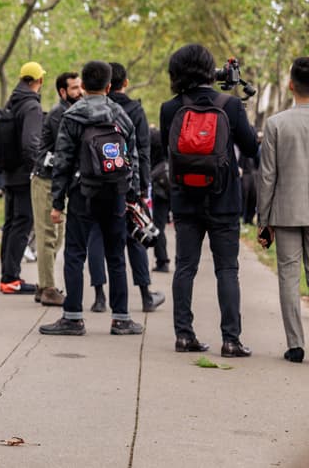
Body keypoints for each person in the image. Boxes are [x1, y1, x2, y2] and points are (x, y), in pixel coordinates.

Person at [160, 43, 258, 357]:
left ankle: (184, 335)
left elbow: (168, 151)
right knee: (227, 269)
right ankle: (231, 340)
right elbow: (252, 148)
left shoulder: (169, 108)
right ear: (209, 69)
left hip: (185, 198)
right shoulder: (229, 106)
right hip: (224, 199)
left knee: (184, 267)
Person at [40, 60, 144, 336]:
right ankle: (121, 318)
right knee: (116, 255)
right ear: (109, 86)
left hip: (81, 194)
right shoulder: (121, 115)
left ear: (83, 86)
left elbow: (62, 161)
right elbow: (131, 159)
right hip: (115, 194)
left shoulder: (73, 115)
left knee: (75, 253)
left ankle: (73, 317)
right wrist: (132, 197)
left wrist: (56, 202)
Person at [257, 56, 309, 364]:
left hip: (286, 212)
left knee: (288, 277)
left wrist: (263, 220)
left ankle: (295, 344)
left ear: (290, 85)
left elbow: (267, 176)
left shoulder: (276, 124)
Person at [107, 62, 165, 312]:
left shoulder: (95, 109)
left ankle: (100, 297)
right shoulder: (135, 110)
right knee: (135, 239)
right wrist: (143, 188)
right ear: (126, 83)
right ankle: (144, 296)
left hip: (98, 184)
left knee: (102, 241)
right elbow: (143, 151)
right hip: (129, 184)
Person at [30, 71, 81, 306]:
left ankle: (44, 285)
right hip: (46, 180)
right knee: (48, 235)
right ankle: (48, 289)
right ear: (63, 92)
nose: (79, 92)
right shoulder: (61, 114)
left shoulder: (68, 112)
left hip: (56, 181)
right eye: (74, 89)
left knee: (56, 236)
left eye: (80, 87)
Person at [0, 61, 46, 295]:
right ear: (40, 81)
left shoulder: (13, 102)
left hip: (8, 172)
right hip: (24, 175)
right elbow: (30, 144)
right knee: (22, 224)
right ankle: (12, 278)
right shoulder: (32, 107)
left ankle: (6, 275)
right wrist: (36, 169)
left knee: (10, 224)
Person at [149, 123, 171, 272]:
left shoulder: (156, 168)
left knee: (159, 225)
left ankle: (162, 260)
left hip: (161, 191)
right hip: (173, 186)